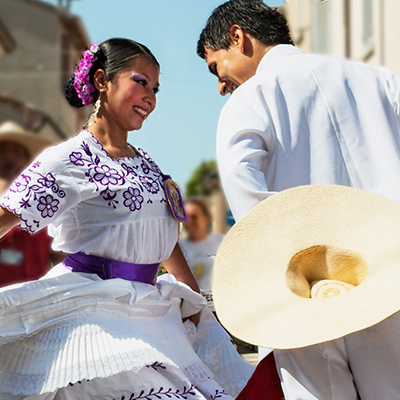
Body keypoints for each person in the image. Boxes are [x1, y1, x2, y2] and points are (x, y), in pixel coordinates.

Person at [0, 38, 254, 400]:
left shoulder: (148, 164)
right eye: (140, 81)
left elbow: (166, 241)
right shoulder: (69, 158)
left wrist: (195, 305)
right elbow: (5, 216)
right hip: (99, 318)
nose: (150, 96)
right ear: (102, 80)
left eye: (155, 88)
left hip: (152, 312)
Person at [197, 0, 400, 399]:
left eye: (215, 66)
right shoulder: (382, 81)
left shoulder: (249, 100)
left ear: (238, 37)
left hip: (305, 292)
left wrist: (275, 271)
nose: (220, 84)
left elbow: (246, 195)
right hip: (391, 276)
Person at [0, 121, 62, 287]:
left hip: (33, 301)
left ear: (26, 160)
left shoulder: (44, 200)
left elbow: (60, 255)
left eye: (17, 151)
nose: (11, 155)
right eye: (4, 149)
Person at [180, 198, 224, 311]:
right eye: (186, 217)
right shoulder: (177, 249)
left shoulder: (224, 242)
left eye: (194, 217)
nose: (190, 221)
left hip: (224, 309)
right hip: (196, 311)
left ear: (206, 218)